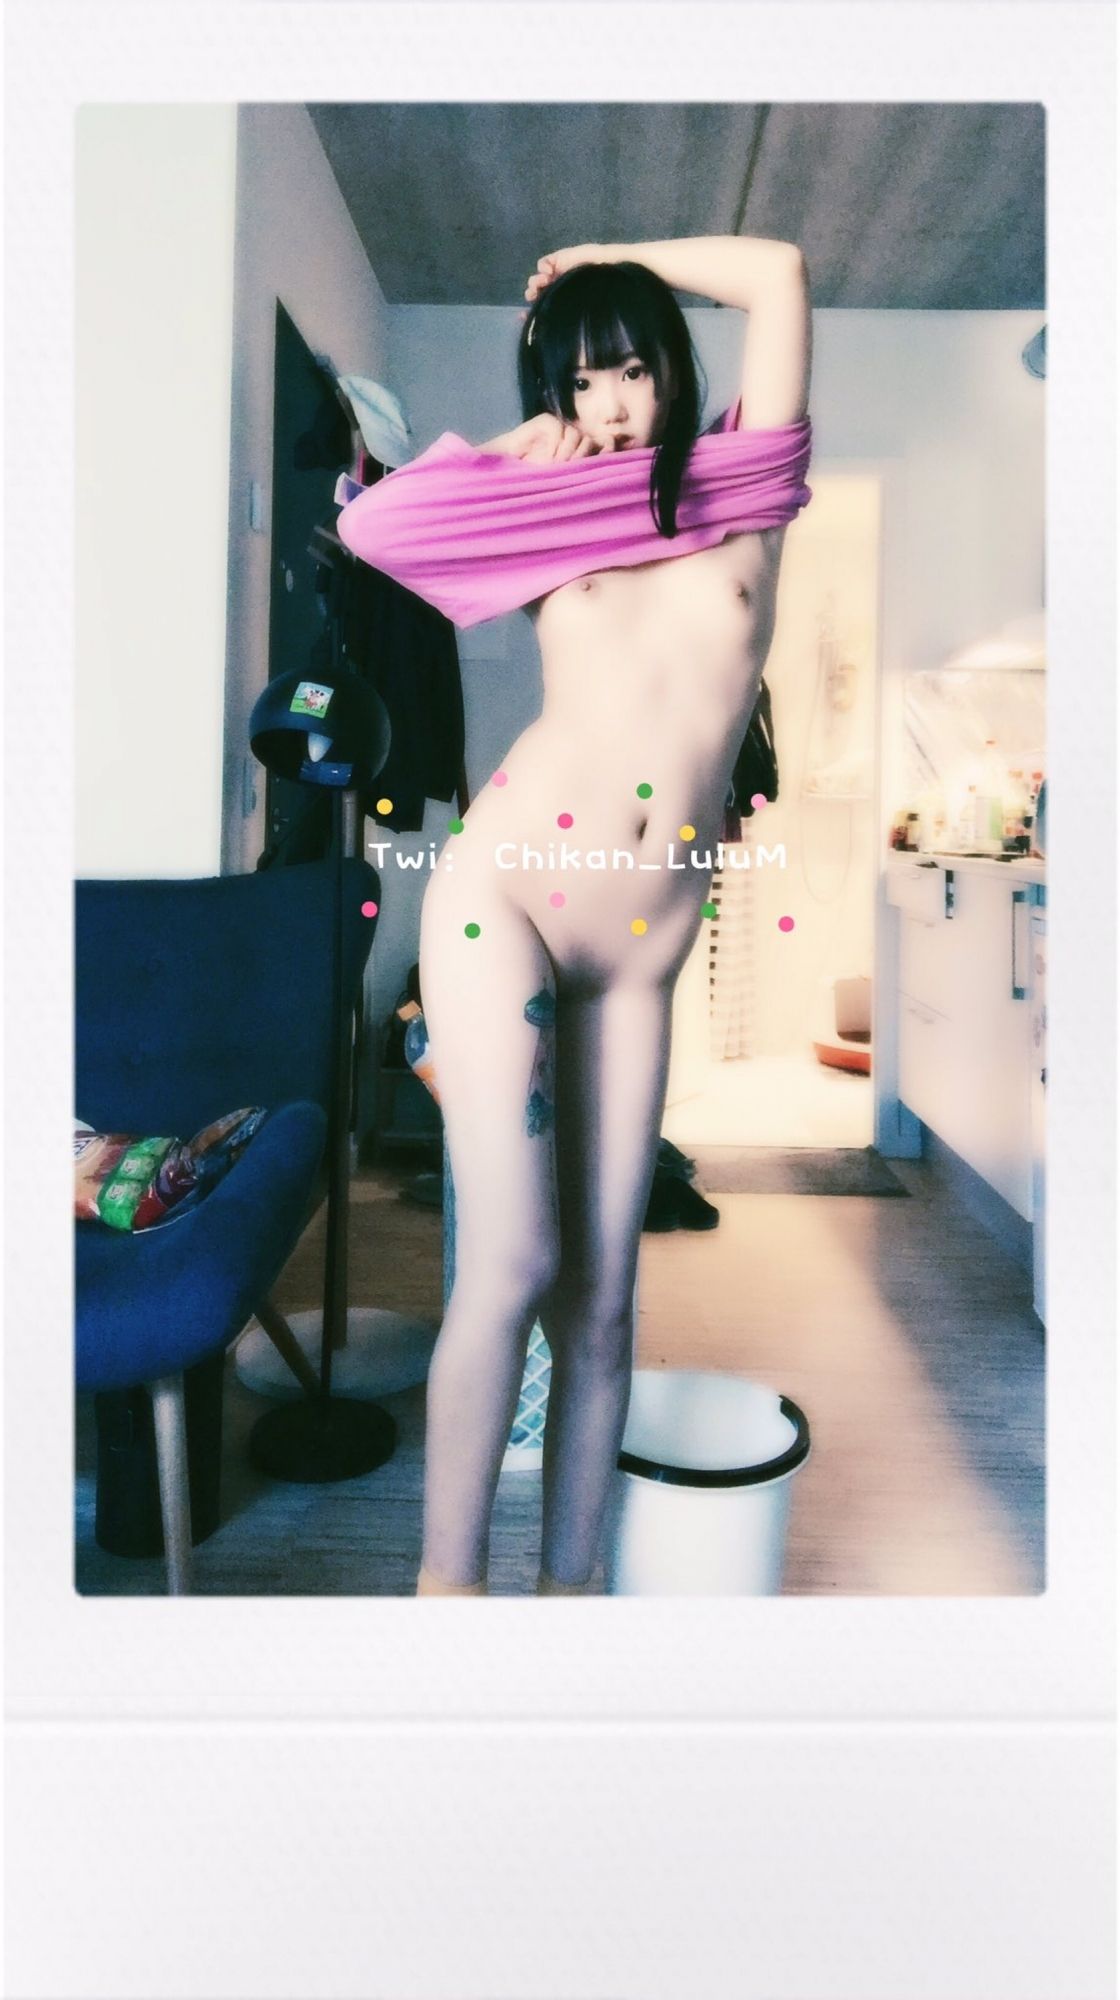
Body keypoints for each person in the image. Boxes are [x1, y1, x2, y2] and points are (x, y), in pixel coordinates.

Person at [353, 236, 812, 1595]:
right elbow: (377, 534)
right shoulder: (551, 508)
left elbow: (780, 272)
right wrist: (519, 444)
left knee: (605, 1298)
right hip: (507, 901)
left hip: (640, 955)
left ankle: (568, 1601)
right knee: (515, 1260)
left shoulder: (749, 482)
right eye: (578, 384)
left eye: (628, 371)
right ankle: (448, 1596)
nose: (609, 408)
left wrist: (614, 262)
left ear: (672, 365)